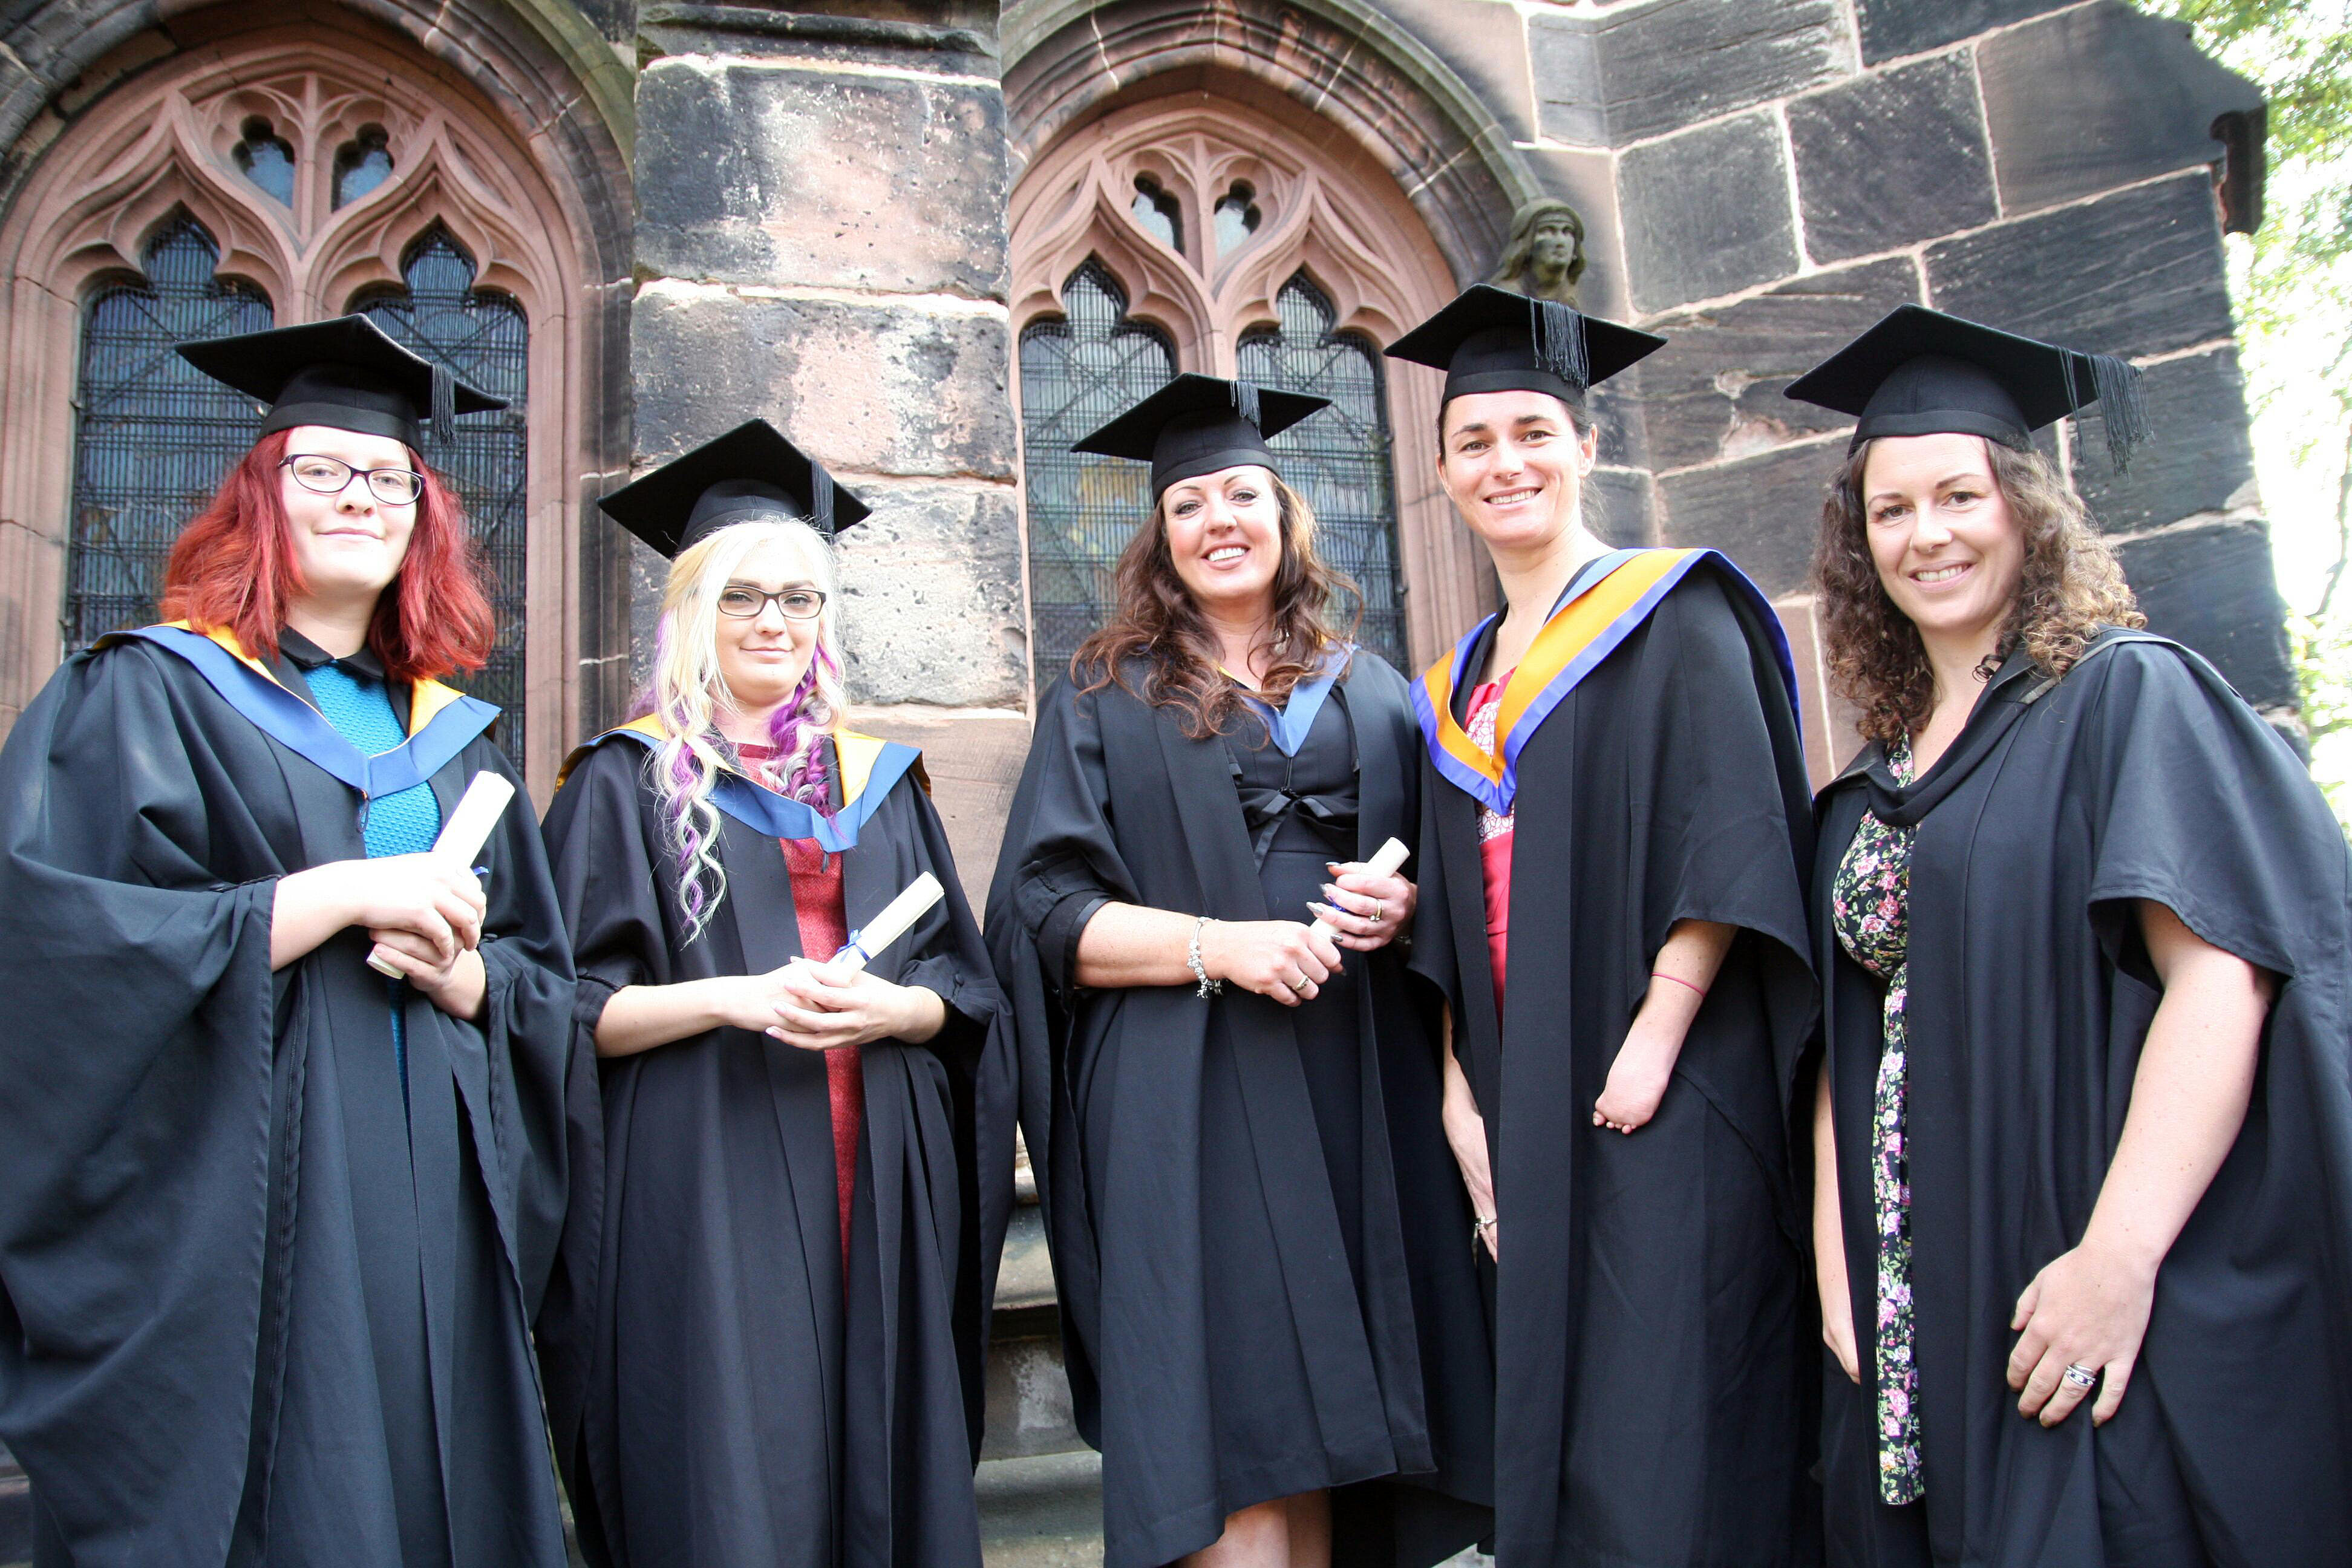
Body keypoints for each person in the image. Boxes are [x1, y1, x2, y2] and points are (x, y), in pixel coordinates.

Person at [0, 316, 581, 1566]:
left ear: (424, 517)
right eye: (322, 470)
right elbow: (54, 943)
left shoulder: (458, 737)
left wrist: (468, 975)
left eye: (390, 478)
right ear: (262, 497)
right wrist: (327, 899)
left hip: (434, 1186)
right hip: (256, 1188)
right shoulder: (147, 690)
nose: (359, 497)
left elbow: (540, 975)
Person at [1788, 305, 2352, 1567]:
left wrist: (2119, 1258)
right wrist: (1840, 1271)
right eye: (1891, 510)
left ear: (2027, 508)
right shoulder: (1867, 789)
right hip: (1911, 1303)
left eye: (1959, 496)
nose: (1927, 534)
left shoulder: (2120, 698)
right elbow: (1843, 1043)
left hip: (2067, 1254)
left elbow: (2221, 979)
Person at [988, 374, 1492, 1568]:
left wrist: (1406, 910)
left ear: (1285, 512)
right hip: (1189, 1093)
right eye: (1189, 504)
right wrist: (1216, 945)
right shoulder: (1105, 697)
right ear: (1160, 536)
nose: (1219, 520)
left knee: (1327, 1436)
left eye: (1242, 495)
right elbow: (1044, 911)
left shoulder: (1374, 688)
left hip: (1354, 1091)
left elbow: (1455, 885)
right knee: (1240, 1424)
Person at [1383, 285, 1820, 1566]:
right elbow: (1450, 907)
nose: (1505, 462)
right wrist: (1460, 1092)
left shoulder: (1676, 610)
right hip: (1517, 1085)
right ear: (1444, 472)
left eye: (1533, 432)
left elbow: (1733, 831)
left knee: (1665, 1404)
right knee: (1559, 1419)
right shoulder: (1457, 682)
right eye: (1474, 441)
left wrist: (1656, 1034)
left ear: (1584, 444)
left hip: (1657, 1076)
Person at [536, 419, 1001, 1568]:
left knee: (880, 1448)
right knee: (737, 1467)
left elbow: (962, 985)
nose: (773, 624)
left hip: (877, 1167)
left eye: (800, 600)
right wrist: (733, 999)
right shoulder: (624, 781)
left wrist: (899, 1011)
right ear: (691, 613)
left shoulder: (880, 781)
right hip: (705, 1173)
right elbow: (565, 1011)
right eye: (741, 597)